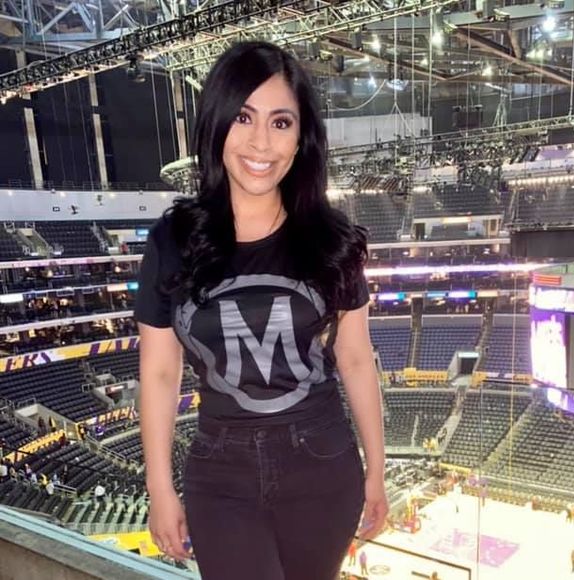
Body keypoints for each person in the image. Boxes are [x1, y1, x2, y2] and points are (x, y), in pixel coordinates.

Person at [135, 41, 387, 580]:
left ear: (301, 137)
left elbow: (355, 358)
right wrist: (159, 487)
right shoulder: (172, 240)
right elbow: (158, 372)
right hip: (219, 473)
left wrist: (377, 471)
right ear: (217, 122)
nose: (261, 142)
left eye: (281, 122)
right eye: (244, 117)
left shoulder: (331, 240)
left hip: (322, 464)